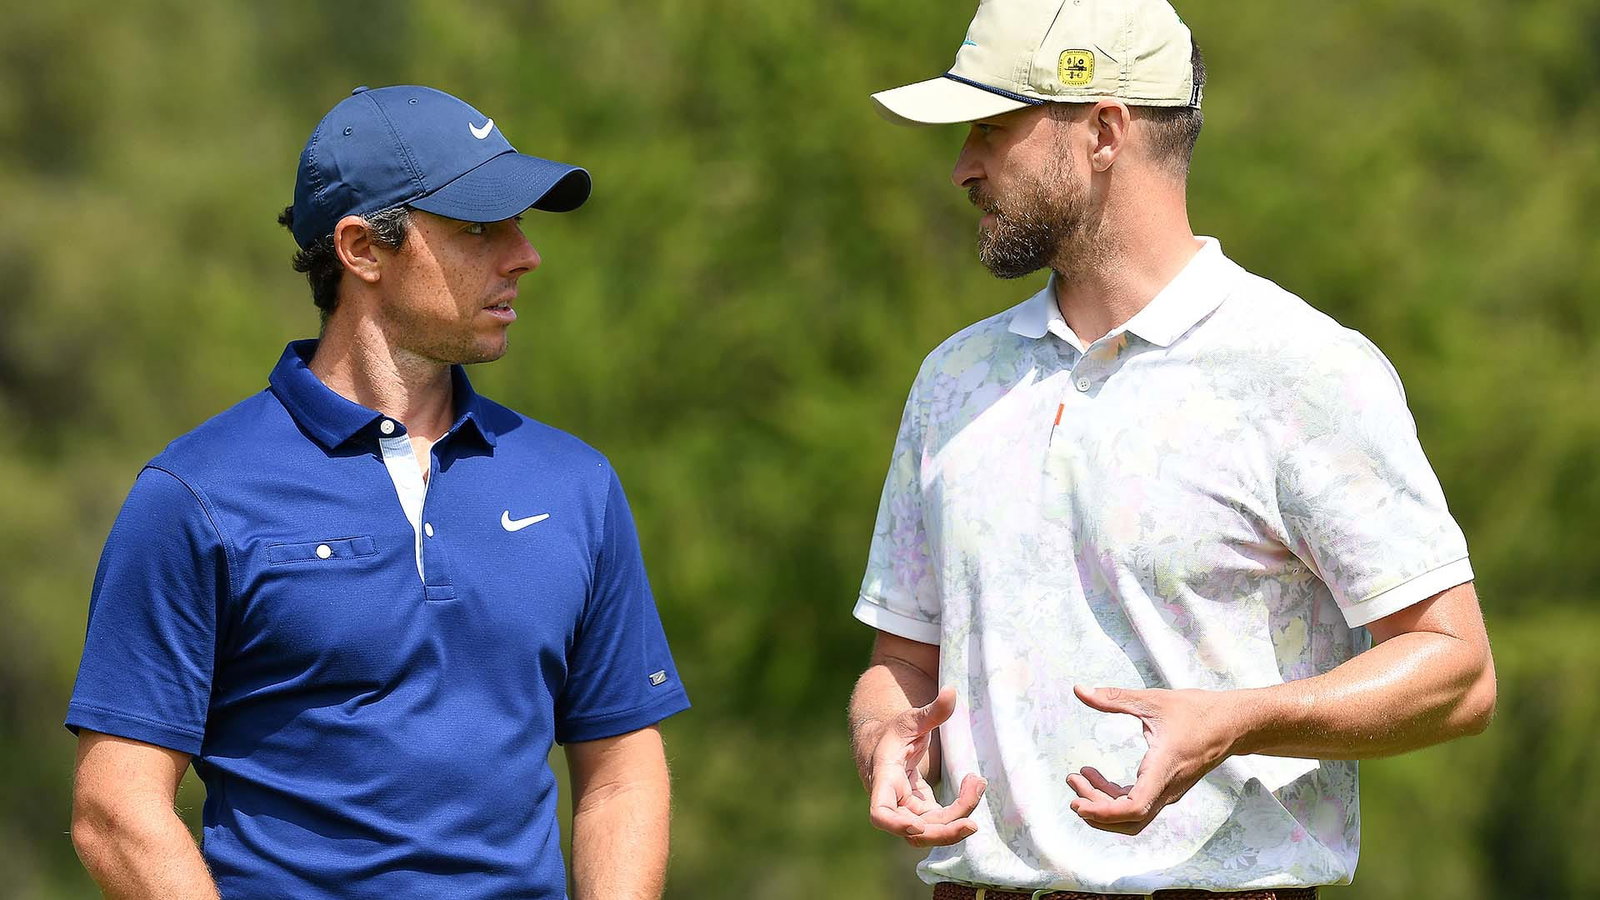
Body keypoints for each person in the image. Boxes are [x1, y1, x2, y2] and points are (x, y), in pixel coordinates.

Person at [846, 2, 1496, 897]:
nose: (963, 168)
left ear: (1104, 129)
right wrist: (885, 735)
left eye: (992, 131)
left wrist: (1237, 722)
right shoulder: (954, 380)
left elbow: (1456, 672)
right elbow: (901, 662)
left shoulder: (1301, 369)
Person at [65, 85, 689, 900]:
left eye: (521, 225)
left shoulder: (574, 483)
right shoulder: (194, 494)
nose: (524, 254)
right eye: (478, 228)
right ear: (361, 250)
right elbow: (114, 806)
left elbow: (621, 774)